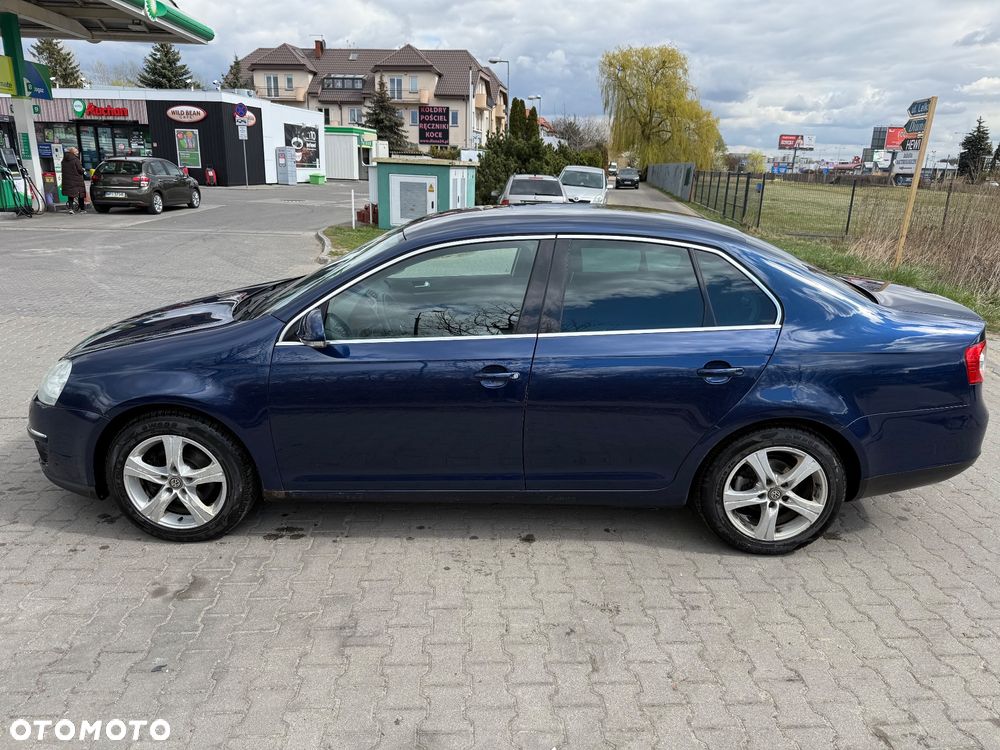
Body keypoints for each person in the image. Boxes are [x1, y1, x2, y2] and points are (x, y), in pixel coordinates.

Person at [60, 147, 87, 215]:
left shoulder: (64, 160)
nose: (77, 153)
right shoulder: (76, 160)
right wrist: (83, 170)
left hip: (68, 180)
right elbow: (80, 170)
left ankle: (71, 209)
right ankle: (82, 209)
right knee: (80, 194)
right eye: (76, 151)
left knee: (70, 195)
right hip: (77, 180)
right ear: (73, 152)